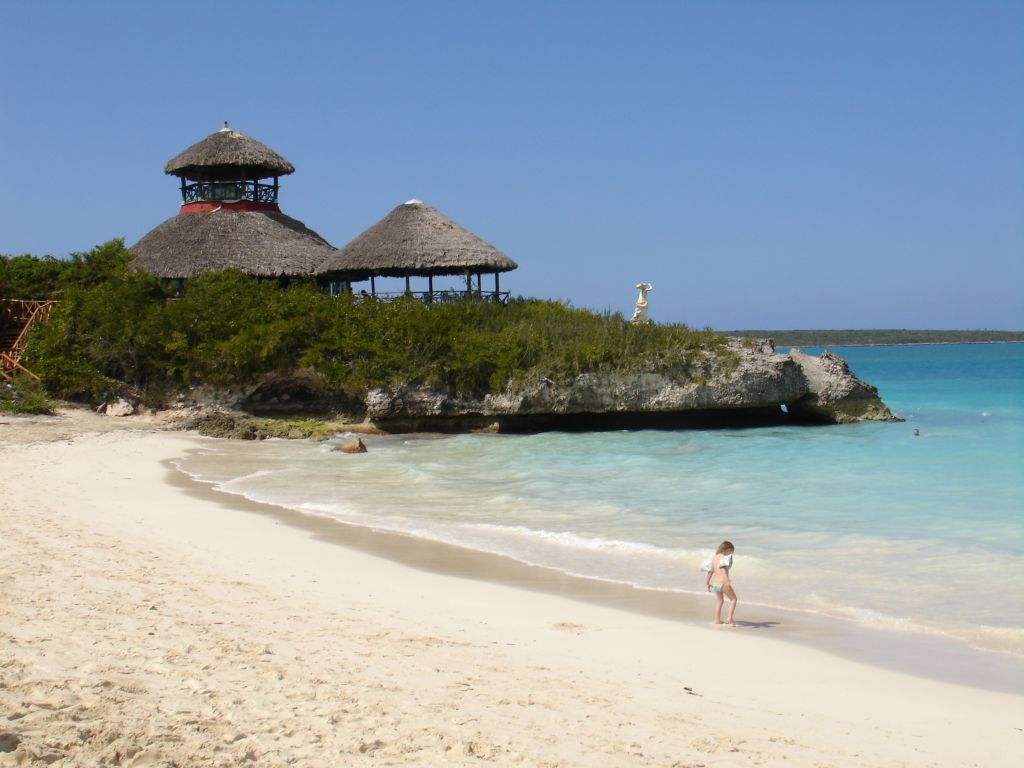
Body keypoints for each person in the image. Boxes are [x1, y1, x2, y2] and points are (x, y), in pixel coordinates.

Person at [705, 540, 738, 625]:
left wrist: (707, 583)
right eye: (731, 552)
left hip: (715, 583)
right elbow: (723, 570)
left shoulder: (715, 557)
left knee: (719, 601)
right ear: (728, 549)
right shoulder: (724, 557)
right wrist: (726, 580)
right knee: (733, 599)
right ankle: (730, 618)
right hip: (723, 581)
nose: (731, 554)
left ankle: (717, 620)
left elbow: (710, 571)